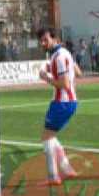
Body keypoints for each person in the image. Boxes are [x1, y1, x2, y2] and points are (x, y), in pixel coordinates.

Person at [37, 27, 83, 185]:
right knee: (50, 135)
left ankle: (53, 176)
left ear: (55, 39)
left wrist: (45, 77)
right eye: (41, 41)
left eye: (46, 40)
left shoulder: (58, 56)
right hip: (68, 101)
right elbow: (78, 72)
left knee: (46, 136)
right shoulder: (64, 53)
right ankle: (67, 169)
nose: (43, 43)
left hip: (62, 102)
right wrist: (53, 69)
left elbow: (64, 84)